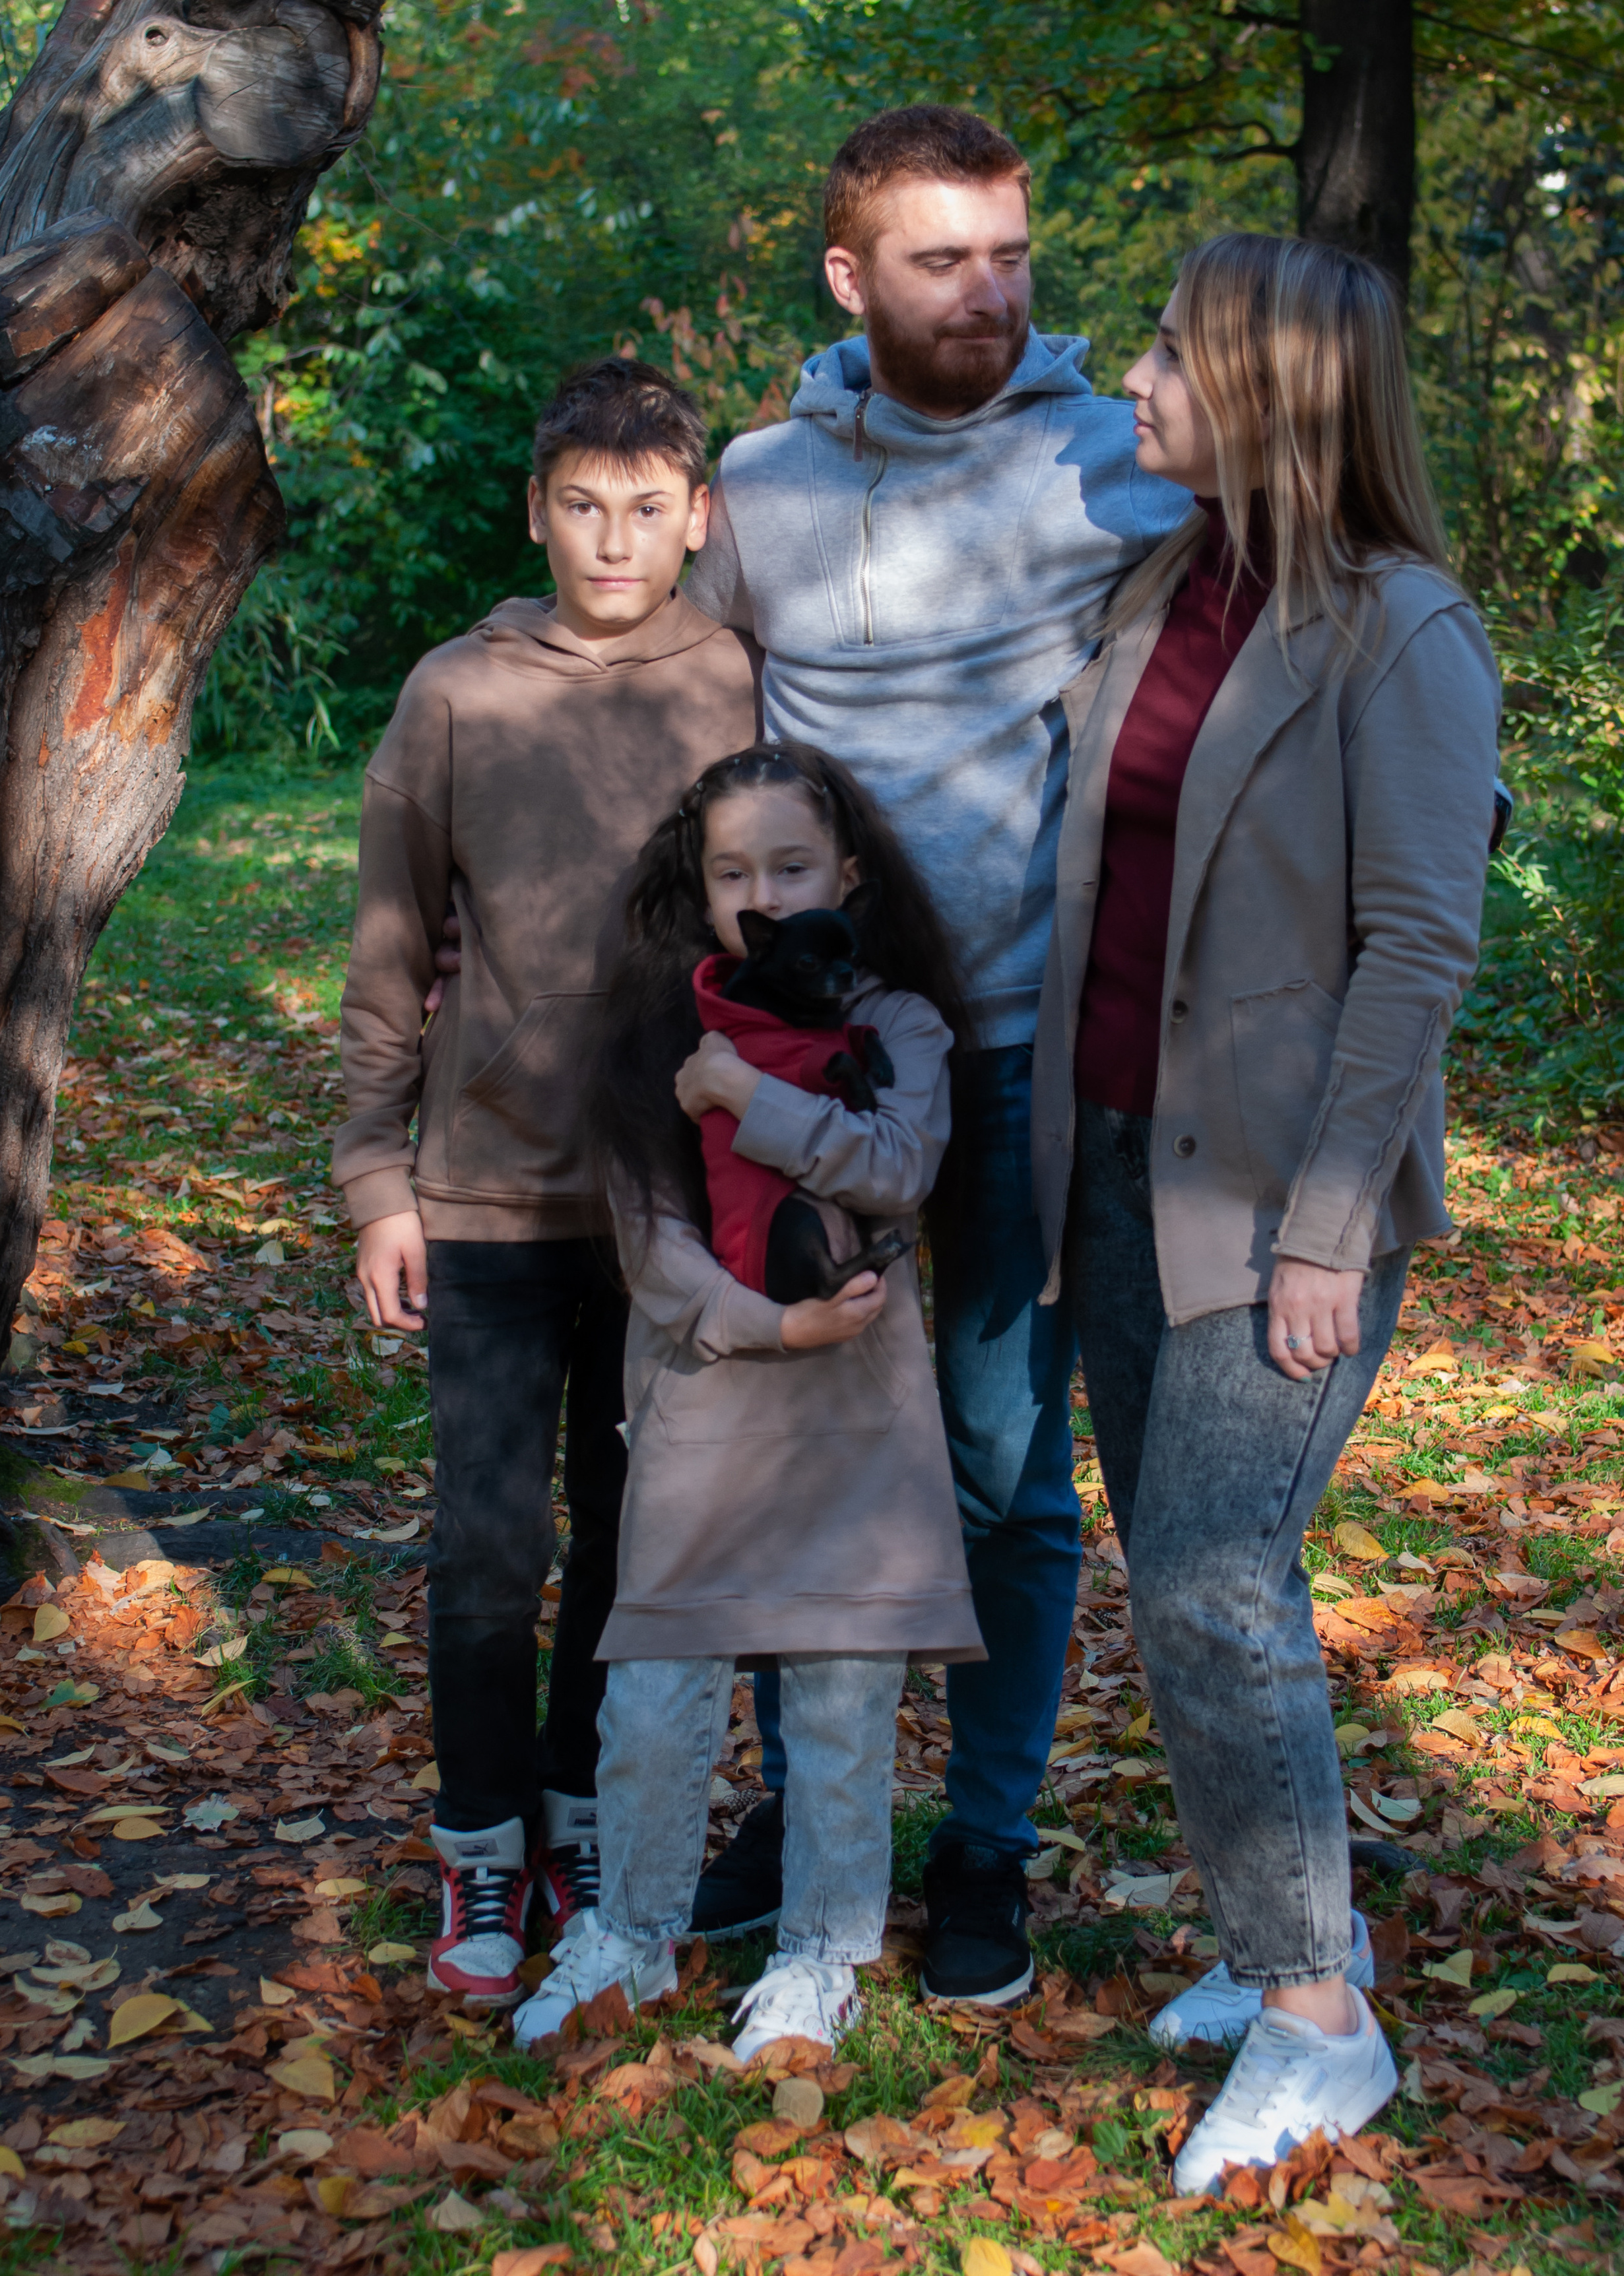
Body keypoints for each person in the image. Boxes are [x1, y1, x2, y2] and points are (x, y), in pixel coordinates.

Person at [682, 104, 1192, 2004]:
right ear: (848, 280)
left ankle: (987, 1842)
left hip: (1002, 1065)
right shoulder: (764, 486)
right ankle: (802, 1805)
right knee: (792, 1438)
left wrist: (1436, 776)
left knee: (998, 1474)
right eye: (941, 259)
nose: (991, 294)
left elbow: (1308, 574)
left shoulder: (1106, 463)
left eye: (1010, 255)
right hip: (797, 1069)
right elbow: (657, 672)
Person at [1028, 233, 1501, 2187]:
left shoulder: (1403, 627)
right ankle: (1281, 1943)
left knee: (1220, 1583)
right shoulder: (1172, 580)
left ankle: (1320, 2023)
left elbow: (1418, 949)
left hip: (1281, 1205)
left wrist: (1329, 1222)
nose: (1132, 383)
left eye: (1169, 352)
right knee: (1196, 1581)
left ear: (1279, 387)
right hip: (1122, 1164)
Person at [332, 359, 762, 2007]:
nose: (611, 538)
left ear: (695, 520)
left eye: (647, 509)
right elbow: (386, 950)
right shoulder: (457, 692)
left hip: (663, 1204)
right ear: (536, 511)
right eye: (581, 506)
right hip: (488, 1194)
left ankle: (584, 1827)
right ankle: (478, 1858)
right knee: (487, 1549)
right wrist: (378, 1176)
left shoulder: (732, 681)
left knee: (626, 1537)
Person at [510, 741, 983, 2056]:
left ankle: (821, 1950)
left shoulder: (893, 1026)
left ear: (844, 872)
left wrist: (754, 1098)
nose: (759, 890)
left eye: (788, 864)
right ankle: (632, 1936)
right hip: (708, 1397)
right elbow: (656, 1256)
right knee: (655, 1700)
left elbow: (897, 1166)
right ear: (699, 885)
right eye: (732, 871)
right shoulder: (660, 1033)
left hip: (855, 1416)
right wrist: (770, 1319)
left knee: (838, 1701)